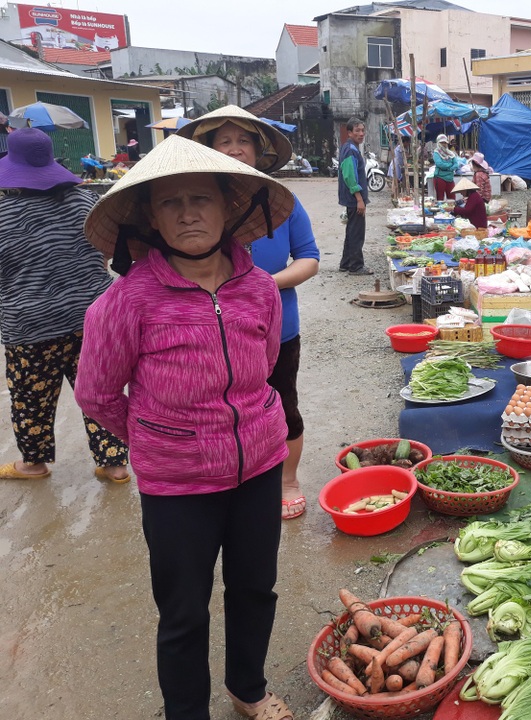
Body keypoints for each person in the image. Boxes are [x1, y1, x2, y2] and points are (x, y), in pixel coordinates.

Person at [75, 134, 296, 720]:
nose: (188, 212)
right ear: (150, 217)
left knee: (255, 590)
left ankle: (247, 689)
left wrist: (244, 426)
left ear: (230, 209)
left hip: (259, 466)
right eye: (171, 203)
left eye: (202, 198)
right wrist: (161, 436)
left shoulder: (258, 290)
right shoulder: (125, 303)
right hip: (178, 486)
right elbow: (96, 395)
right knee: (183, 612)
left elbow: (265, 364)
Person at [177, 105, 320, 521]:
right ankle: (224, 479)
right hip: (206, 329)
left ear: (260, 152)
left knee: (281, 404)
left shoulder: (282, 202)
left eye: (244, 142)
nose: (236, 150)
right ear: (207, 148)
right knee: (215, 409)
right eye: (225, 141)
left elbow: (308, 258)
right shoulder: (195, 202)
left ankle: (287, 481)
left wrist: (263, 286)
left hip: (277, 328)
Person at [0, 128, 129, 483]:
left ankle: (34, 464)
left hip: (29, 327)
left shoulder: (3, 213)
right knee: (100, 390)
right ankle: (114, 463)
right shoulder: (84, 201)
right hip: (93, 317)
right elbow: (108, 249)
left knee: (31, 398)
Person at [337, 117, 373, 275]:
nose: (361, 133)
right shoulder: (351, 149)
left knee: (351, 231)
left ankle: (346, 263)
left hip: (351, 198)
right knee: (357, 233)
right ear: (350, 132)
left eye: (363, 130)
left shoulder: (349, 147)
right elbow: (350, 176)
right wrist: (359, 199)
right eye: (357, 130)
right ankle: (356, 266)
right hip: (354, 199)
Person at [432, 134, 458, 200]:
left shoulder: (451, 153)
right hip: (440, 178)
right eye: (442, 142)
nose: (444, 144)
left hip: (450, 178)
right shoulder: (436, 153)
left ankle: (452, 210)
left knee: (452, 199)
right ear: (438, 143)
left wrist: (450, 167)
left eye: (445, 142)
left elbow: (456, 164)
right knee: (440, 199)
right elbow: (440, 164)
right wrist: (450, 165)